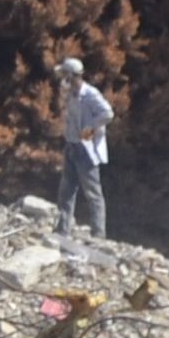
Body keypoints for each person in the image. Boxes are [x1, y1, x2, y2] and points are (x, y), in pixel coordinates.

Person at [55, 56, 114, 234]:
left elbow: (108, 114)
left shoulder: (90, 94)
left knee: (93, 194)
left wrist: (90, 128)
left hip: (86, 150)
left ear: (72, 76)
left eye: (65, 75)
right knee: (66, 191)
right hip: (72, 146)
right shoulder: (72, 95)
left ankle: (98, 233)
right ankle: (62, 230)